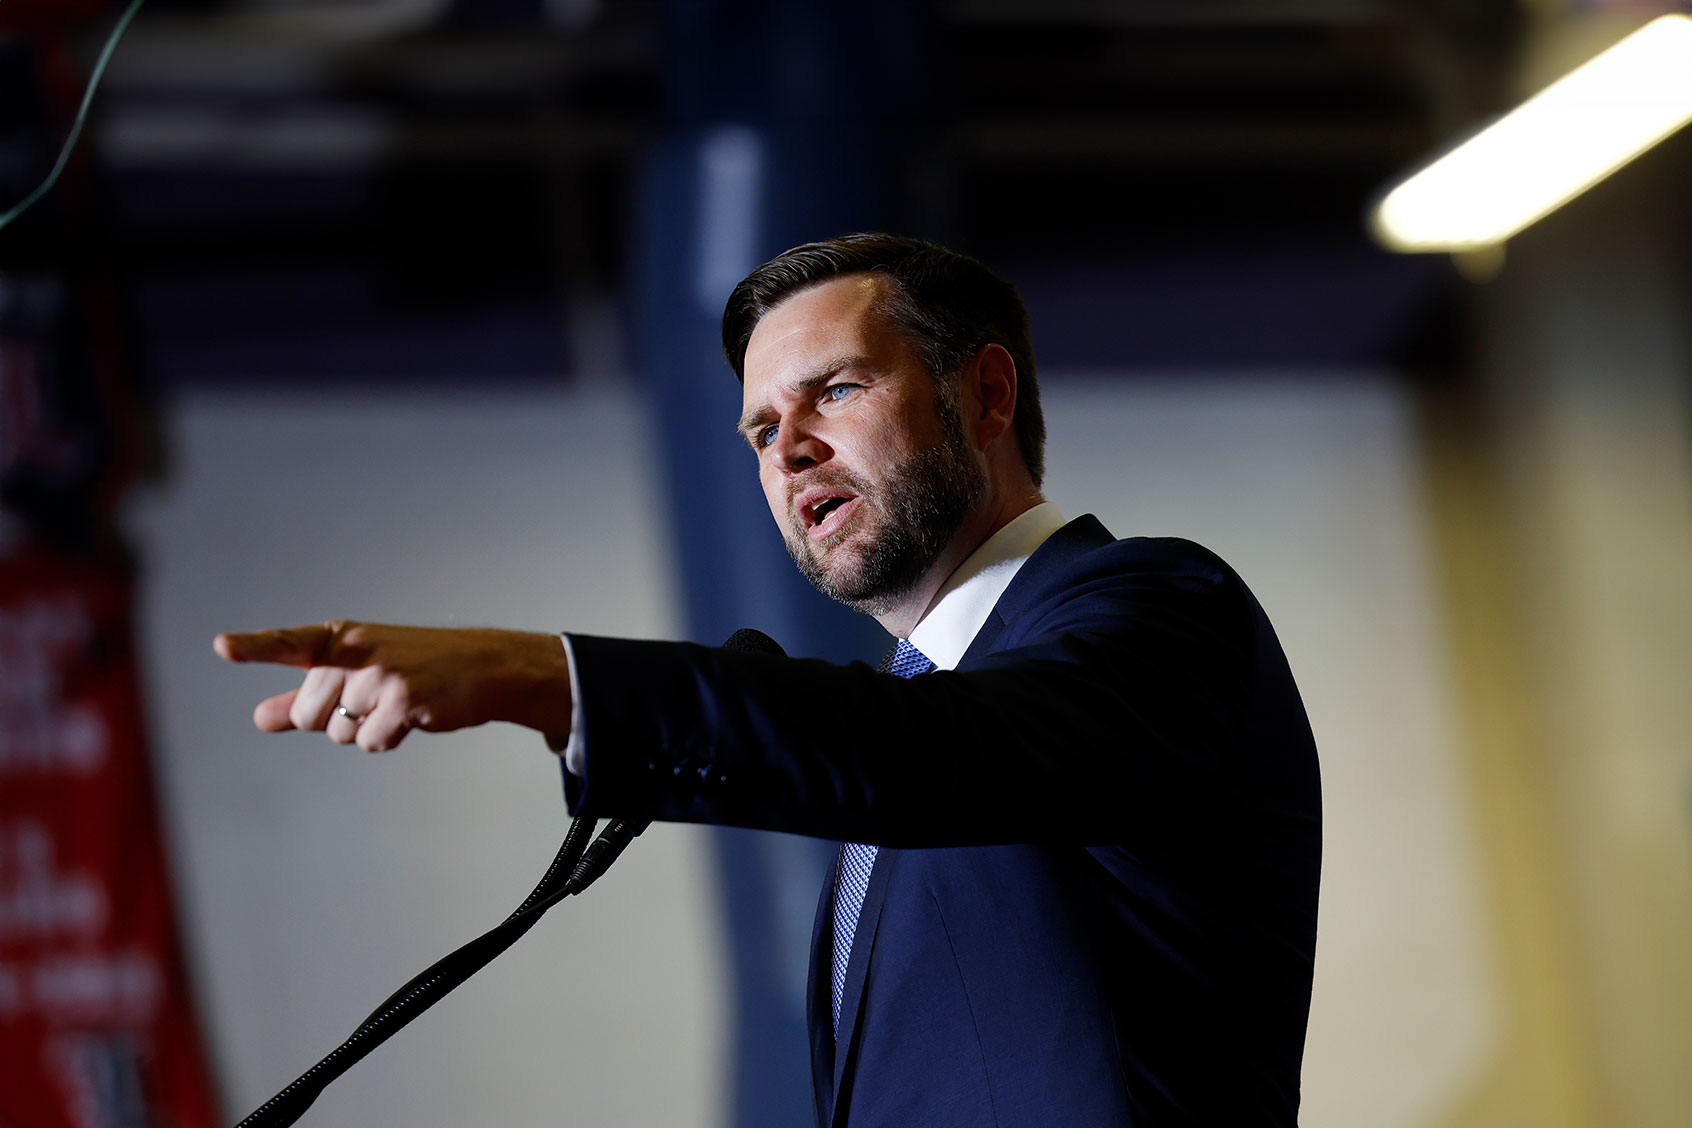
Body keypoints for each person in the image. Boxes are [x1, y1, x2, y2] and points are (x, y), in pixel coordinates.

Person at [217, 234, 1322, 1126]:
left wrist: (544, 677)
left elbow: (940, 753)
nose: (785, 449)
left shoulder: (1162, 611)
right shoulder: (913, 713)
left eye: (834, 391)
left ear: (985, 393)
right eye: (758, 429)